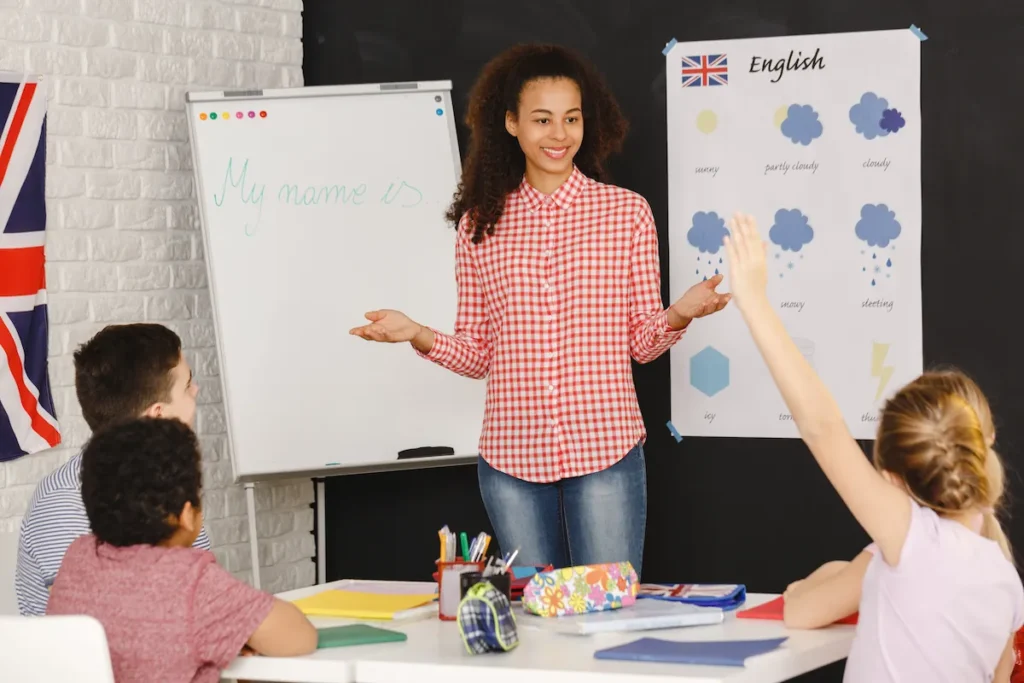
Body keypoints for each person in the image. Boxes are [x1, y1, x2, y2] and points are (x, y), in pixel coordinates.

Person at [349, 44, 730, 575]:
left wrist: (678, 313)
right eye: (542, 119)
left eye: (571, 119)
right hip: (510, 459)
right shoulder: (480, 225)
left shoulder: (626, 214)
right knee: (534, 628)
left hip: (606, 449)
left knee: (607, 619)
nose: (559, 134)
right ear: (510, 123)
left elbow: (642, 345)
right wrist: (416, 333)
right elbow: (480, 355)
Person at [723, 212, 1023, 681]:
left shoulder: (910, 538)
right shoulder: (1005, 579)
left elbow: (821, 425)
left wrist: (755, 302)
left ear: (892, 479)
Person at [47, 417, 317, 682]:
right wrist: (241, 628)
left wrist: (228, 630)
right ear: (186, 514)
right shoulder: (192, 581)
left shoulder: (77, 558)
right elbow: (300, 638)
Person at [16, 323, 211, 616]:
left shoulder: (166, 485)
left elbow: (203, 592)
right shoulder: (65, 503)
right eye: (186, 386)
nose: (195, 390)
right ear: (158, 415)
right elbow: (97, 630)